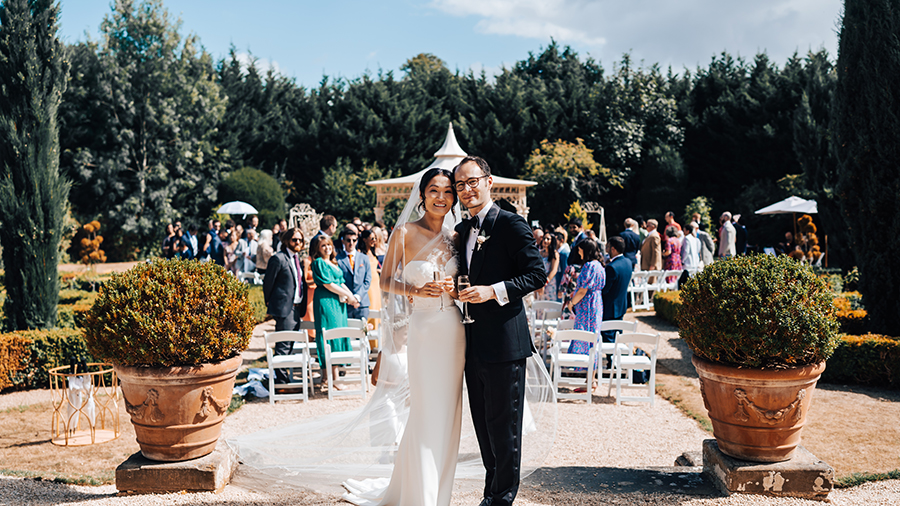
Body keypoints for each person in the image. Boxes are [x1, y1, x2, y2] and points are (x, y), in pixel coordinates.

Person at [228, 168, 556, 505]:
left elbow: (485, 280)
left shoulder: (458, 234)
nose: (442, 197)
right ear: (422, 194)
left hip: (457, 332)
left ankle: (446, 490)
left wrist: (458, 289)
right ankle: (422, 493)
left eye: (449, 190)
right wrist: (416, 289)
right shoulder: (406, 232)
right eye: (435, 190)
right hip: (426, 330)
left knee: (452, 412)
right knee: (426, 409)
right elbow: (384, 282)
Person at [453, 156, 547, 506]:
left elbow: (537, 274)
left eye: (472, 181)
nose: (467, 189)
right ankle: (490, 492)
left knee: (505, 425)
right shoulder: (461, 232)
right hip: (471, 342)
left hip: (506, 343)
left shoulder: (511, 224)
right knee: (483, 425)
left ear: (488, 181)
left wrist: (492, 290)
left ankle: (504, 496)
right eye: (460, 184)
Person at [309, 234, 358, 391]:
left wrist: (352, 297)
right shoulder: (318, 262)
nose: (327, 248)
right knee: (329, 334)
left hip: (338, 302)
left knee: (337, 333)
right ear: (317, 248)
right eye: (323, 245)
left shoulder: (333, 263)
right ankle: (333, 378)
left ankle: (327, 377)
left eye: (328, 245)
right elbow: (329, 284)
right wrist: (347, 296)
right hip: (326, 300)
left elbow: (341, 283)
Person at [262, 228, 309, 385]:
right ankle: (282, 382)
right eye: (295, 240)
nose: (298, 243)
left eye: (300, 240)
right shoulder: (278, 258)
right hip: (285, 309)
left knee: (290, 345)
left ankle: (285, 377)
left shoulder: (297, 259)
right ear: (287, 240)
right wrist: (269, 302)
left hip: (297, 307)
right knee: (283, 345)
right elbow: (268, 283)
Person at [564, 239, 605, 368]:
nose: (578, 252)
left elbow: (582, 291)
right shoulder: (599, 265)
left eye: (580, 249)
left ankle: (579, 367)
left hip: (587, 304)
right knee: (593, 337)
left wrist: (571, 303)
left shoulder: (589, 266)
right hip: (596, 302)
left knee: (583, 334)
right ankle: (591, 377)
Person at [336, 228, 372, 321]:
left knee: (362, 333)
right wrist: (350, 298)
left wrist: (357, 297)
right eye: (348, 240)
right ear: (343, 241)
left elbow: (367, 280)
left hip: (362, 303)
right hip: (345, 304)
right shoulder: (337, 259)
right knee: (346, 333)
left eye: (354, 240)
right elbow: (338, 281)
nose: (351, 243)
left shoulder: (364, 258)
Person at [601, 237, 632, 344]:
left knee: (608, 336)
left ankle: (611, 359)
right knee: (618, 334)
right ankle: (616, 358)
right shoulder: (628, 262)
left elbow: (605, 290)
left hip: (610, 307)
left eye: (607, 247)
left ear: (613, 249)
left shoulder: (612, 267)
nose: (606, 250)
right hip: (621, 304)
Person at [358, 229, 383, 334]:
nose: (374, 241)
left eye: (375, 238)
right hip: (369, 286)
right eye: (372, 238)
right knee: (371, 308)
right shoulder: (360, 253)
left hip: (376, 284)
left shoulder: (372, 252)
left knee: (378, 308)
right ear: (364, 239)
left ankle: (377, 339)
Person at [536, 231, 559, 301]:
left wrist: (544, 283)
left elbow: (554, 270)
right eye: (544, 238)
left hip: (549, 282)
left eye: (548, 239)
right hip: (539, 282)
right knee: (539, 306)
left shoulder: (555, 254)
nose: (545, 241)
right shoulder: (539, 252)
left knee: (549, 307)